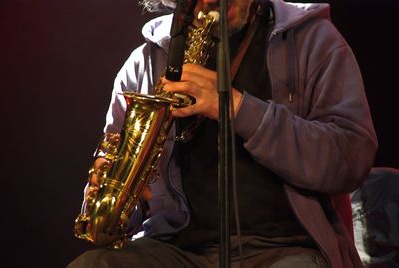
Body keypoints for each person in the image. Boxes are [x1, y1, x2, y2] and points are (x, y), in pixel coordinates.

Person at [68, 0, 378, 267]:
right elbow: (114, 197)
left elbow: (351, 157)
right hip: (175, 249)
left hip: (285, 247)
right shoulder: (142, 65)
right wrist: (111, 197)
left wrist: (236, 108)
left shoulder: (315, 40)